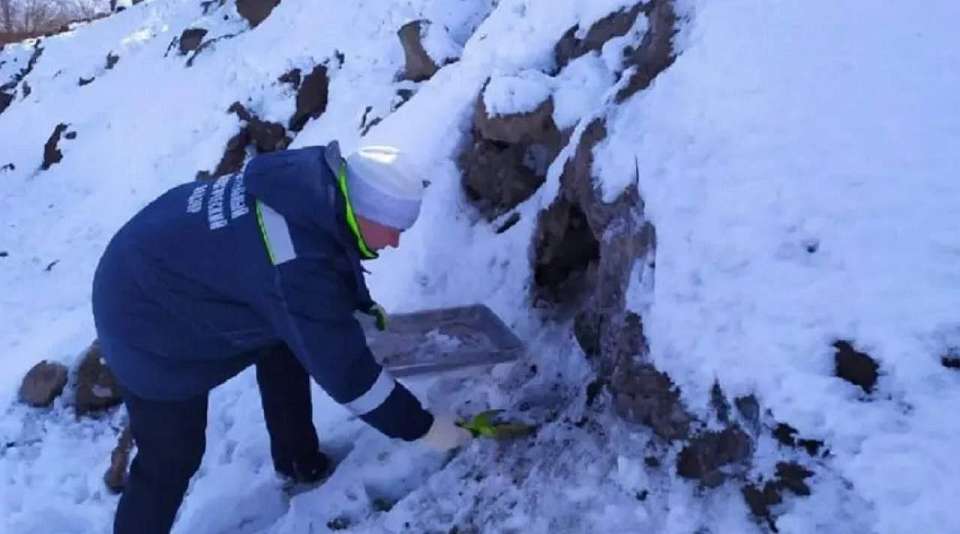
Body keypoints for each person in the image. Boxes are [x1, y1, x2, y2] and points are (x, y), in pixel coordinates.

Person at [91, 141, 472, 534]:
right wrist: (422, 427)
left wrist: (348, 305)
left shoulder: (311, 185)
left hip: (152, 255)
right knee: (171, 457)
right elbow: (350, 377)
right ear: (364, 211)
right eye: (393, 229)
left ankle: (297, 460)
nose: (395, 243)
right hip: (142, 318)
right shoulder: (294, 267)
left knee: (287, 339)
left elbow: (310, 269)